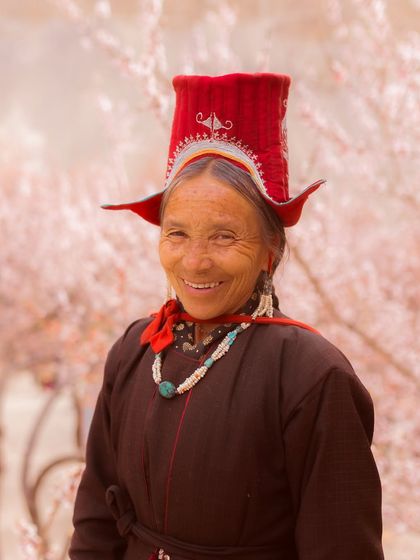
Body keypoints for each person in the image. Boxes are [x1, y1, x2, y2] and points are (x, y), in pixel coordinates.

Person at [69, 73, 384, 560]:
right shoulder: (135, 350)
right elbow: (94, 523)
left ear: (270, 250)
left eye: (223, 236)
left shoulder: (312, 377)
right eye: (177, 234)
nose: (194, 262)